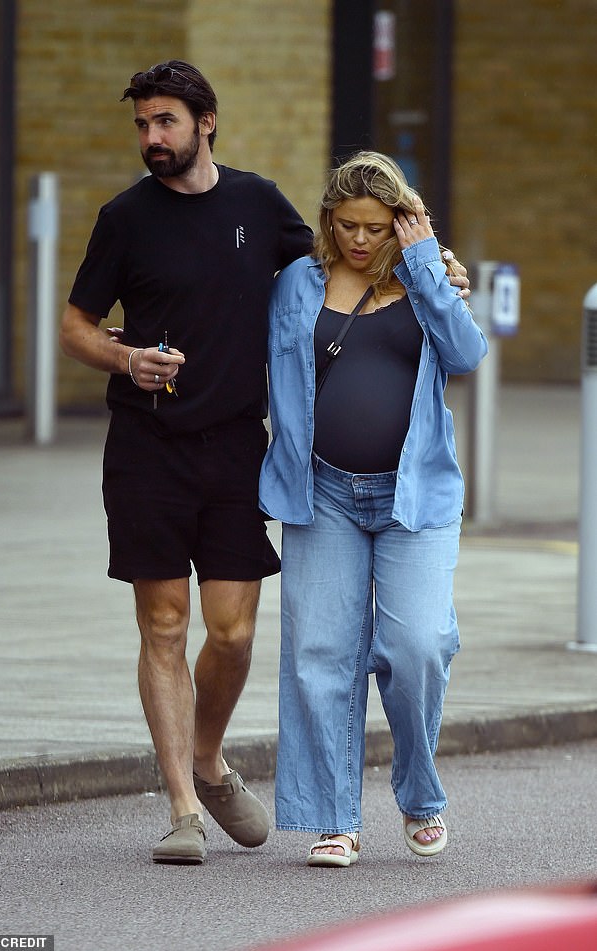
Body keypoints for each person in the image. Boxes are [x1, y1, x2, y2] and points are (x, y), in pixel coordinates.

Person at [59, 59, 314, 865]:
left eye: (164, 121)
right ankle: (181, 808)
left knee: (233, 632)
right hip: (146, 447)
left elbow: (332, 270)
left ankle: (208, 759)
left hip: (238, 443)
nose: (151, 138)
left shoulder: (258, 202)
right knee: (164, 623)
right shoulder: (124, 218)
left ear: (205, 121)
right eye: (142, 124)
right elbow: (76, 325)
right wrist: (126, 359)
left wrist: (427, 272)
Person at [259, 151, 488, 867]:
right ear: (329, 219)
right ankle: (335, 817)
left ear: (402, 220)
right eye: (346, 224)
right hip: (321, 491)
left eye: (375, 226)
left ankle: (419, 792)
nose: (360, 239)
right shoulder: (299, 281)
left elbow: (467, 352)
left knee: (418, 646)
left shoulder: (427, 278)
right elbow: (254, 353)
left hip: (413, 495)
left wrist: (425, 264)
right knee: (318, 655)